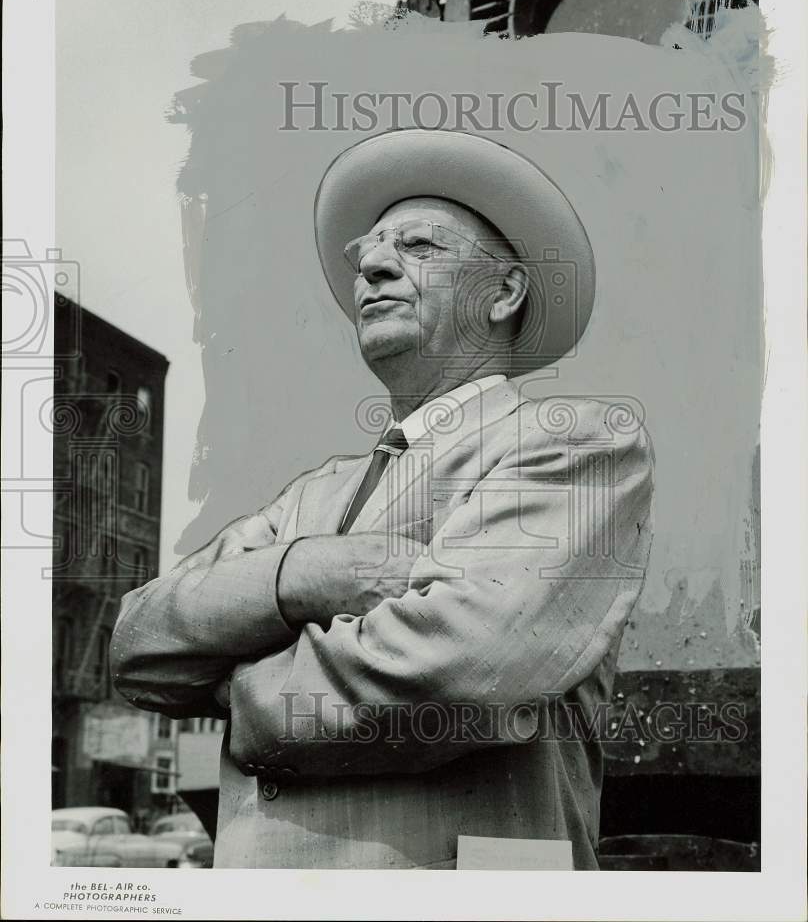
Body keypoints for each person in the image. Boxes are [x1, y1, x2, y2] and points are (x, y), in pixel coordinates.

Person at [111, 128, 654, 869]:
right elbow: (139, 644)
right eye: (367, 252)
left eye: (421, 247)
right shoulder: (309, 498)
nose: (370, 266)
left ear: (504, 292)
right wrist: (304, 574)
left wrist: (233, 692)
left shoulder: (577, 444)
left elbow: (461, 670)